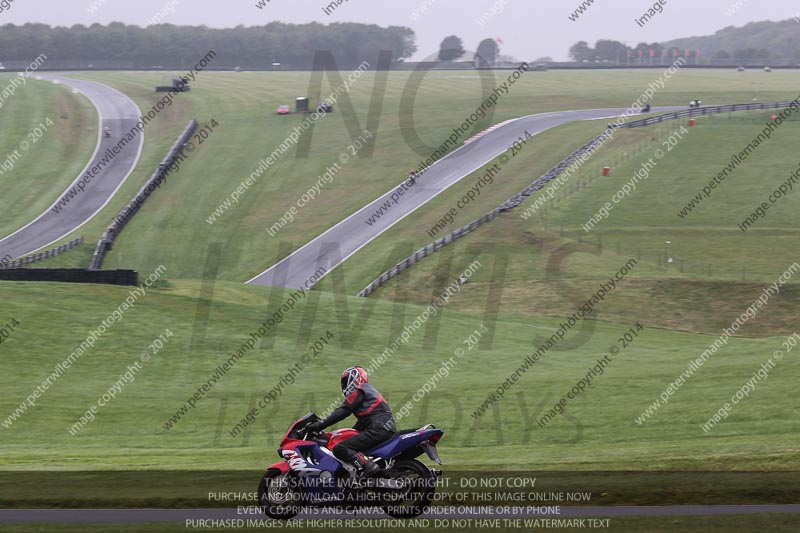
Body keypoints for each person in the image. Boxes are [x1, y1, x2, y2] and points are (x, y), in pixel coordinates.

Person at [308, 366, 396, 477]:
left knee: (341, 448)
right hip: (381, 428)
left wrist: (318, 425)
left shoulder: (360, 389)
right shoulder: (368, 390)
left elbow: (344, 411)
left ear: (355, 378)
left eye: (345, 382)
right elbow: (363, 422)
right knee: (348, 441)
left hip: (378, 429)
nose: (344, 386)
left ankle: (368, 466)